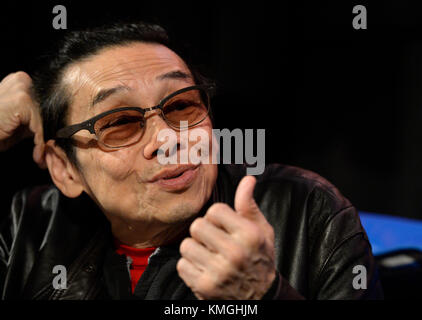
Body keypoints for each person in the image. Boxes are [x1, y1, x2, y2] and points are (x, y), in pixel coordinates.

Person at [0, 22, 383, 300]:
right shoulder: (28, 224)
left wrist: (263, 296)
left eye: (182, 105)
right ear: (65, 169)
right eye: (119, 123)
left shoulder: (306, 210)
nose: (168, 139)